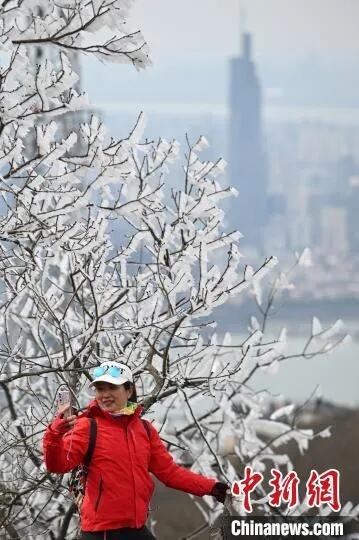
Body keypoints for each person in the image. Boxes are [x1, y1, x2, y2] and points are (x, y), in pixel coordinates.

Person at [43, 361, 229, 540]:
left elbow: (170, 473)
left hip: (136, 527)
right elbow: (57, 465)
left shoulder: (145, 429)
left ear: (129, 390)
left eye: (112, 387)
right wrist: (54, 434)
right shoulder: (87, 426)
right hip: (103, 533)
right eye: (100, 389)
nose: (105, 394)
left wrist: (211, 487)